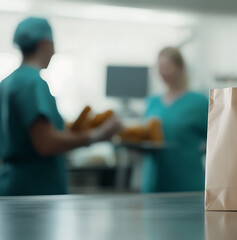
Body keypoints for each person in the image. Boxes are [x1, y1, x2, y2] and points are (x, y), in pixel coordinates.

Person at [0, 17, 122, 196]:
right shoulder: (34, 83)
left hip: (12, 184)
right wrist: (97, 135)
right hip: (34, 190)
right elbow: (46, 143)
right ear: (45, 43)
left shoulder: (7, 83)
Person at [142, 47, 208, 193]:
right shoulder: (152, 102)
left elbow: (215, 142)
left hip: (187, 182)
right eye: (158, 68)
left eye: (166, 67)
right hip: (155, 182)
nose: (161, 72)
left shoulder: (199, 103)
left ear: (180, 67)